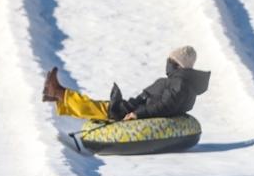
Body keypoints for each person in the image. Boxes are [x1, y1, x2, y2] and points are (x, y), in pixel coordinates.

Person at [42, 45, 210, 121]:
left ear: (178, 64)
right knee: (100, 106)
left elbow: (165, 106)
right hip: (134, 106)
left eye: (171, 60)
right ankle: (57, 95)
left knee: (100, 108)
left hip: (133, 111)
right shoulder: (179, 81)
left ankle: (58, 92)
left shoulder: (180, 83)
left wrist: (138, 114)